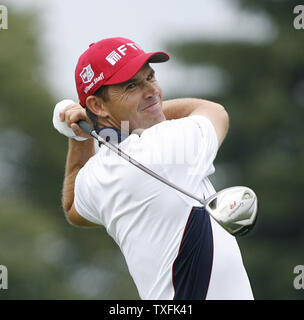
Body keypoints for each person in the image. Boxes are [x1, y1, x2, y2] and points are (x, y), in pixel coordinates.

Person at [57, 37, 254, 300]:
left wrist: (79, 135)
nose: (150, 91)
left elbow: (72, 207)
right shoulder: (168, 147)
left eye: (150, 77)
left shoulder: (98, 175)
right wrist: (100, 121)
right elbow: (213, 111)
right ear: (97, 105)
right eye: (131, 86)